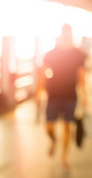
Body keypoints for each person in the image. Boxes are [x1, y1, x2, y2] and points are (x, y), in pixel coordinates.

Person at [37, 24, 87, 171]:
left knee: (67, 126)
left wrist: (85, 95)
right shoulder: (52, 53)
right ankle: (53, 141)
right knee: (49, 127)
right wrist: (38, 92)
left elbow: (81, 75)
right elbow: (43, 73)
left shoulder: (79, 54)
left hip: (70, 95)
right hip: (53, 94)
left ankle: (64, 156)